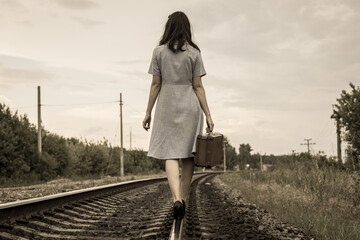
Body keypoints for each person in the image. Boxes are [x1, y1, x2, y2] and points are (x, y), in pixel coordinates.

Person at [142, 11, 214, 220]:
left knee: (170, 154)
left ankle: (176, 200)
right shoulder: (194, 53)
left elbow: (156, 84)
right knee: (188, 155)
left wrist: (148, 112)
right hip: (190, 106)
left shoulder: (158, 52)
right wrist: (208, 114)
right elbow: (198, 86)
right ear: (186, 28)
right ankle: (184, 197)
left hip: (166, 105)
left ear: (168, 27)